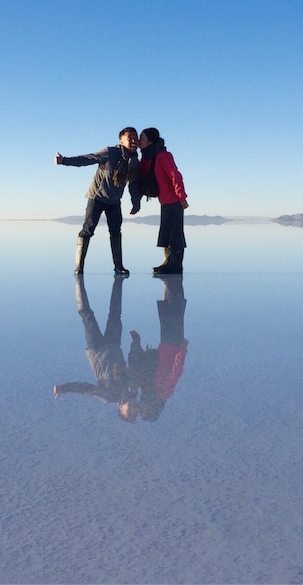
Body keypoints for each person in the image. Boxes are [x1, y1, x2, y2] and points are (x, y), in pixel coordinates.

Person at [55, 127, 141, 276]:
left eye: (136, 138)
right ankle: (79, 267)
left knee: (116, 232)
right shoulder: (110, 152)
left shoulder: (134, 161)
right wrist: (64, 161)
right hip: (97, 198)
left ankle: (118, 266)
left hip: (114, 202)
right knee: (88, 230)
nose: (134, 141)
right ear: (121, 141)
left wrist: (135, 203)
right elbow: (88, 159)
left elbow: (133, 183)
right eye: (130, 138)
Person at [53, 276, 138, 422]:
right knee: (116, 312)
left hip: (97, 349)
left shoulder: (108, 397)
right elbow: (133, 363)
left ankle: (78, 281)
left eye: (128, 411)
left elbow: (86, 389)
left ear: (121, 408)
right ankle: (119, 279)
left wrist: (64, 388)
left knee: (87, 316)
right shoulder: (133, 388)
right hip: (114, 344)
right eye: (134, 411)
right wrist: (136, 342)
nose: (132, 408)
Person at [128, 275, 189, 422]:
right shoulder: (163, 392)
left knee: (168, 310)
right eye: (143, 410)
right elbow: (176, 371)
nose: (141, 408)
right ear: (151, 408)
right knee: (175, 310)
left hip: (165, 346)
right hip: (173, 345)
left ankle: (170, 280)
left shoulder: (147, 390)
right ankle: (174, 279)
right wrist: (182, 350)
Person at [136, 127, 188, 274]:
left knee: (175, 234)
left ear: (150, 141)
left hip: (174, 200)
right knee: (166, 232)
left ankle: (176, 265)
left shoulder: (163, 156)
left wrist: (181, 197)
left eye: (142, 137)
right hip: (164, 200)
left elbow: (175, 176)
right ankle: (168, 263)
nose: (139, 140)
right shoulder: (147, 157)